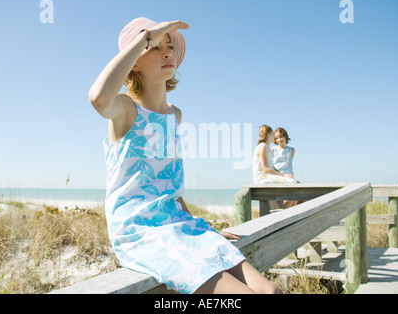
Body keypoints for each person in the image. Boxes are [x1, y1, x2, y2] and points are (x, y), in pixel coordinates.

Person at [89, 17, 278, 294]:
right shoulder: (126, 111)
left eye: (169, 46)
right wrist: (146, 37)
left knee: (269, 291)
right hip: (141, 232)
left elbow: (171, 188)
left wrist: (200, 230)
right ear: (134, 63)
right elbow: (98, 98)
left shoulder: (174, 116)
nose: (166, 51)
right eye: (154, 47)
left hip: (179, 225)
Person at [253, 125, 298, 209]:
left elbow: (272, 167)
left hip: (269, 176)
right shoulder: (262, 146)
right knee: (294, 183)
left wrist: (286, 175)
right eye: (273, 134)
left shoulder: (267, 148)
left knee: (296, 185)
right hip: (263, 177)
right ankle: (285, 215)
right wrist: (284, 175)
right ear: (270, 133)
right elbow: (265, 169)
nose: (274, 137)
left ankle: (288, 214)